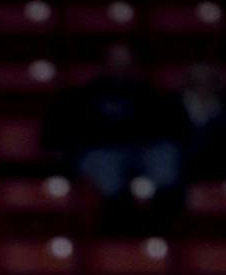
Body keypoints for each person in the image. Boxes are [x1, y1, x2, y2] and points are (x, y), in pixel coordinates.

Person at [42, 44, 184, 227]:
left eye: (125, 60)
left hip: (140, 153)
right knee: (106, 163)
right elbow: (62, 136)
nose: (120, 65)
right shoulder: (83, 95)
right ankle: (117, 220)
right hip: (102, 154)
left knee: (166, 153)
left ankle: (164, 215)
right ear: (104, 63)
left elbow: (163, 130)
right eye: (116, 60)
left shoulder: (147, 94)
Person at [177, 64, 226, 184]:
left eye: (208, 82)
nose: (203, 87)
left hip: (221, 171)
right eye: (198, 82)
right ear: (190, 84)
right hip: (184, 172)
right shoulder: (175, 109)